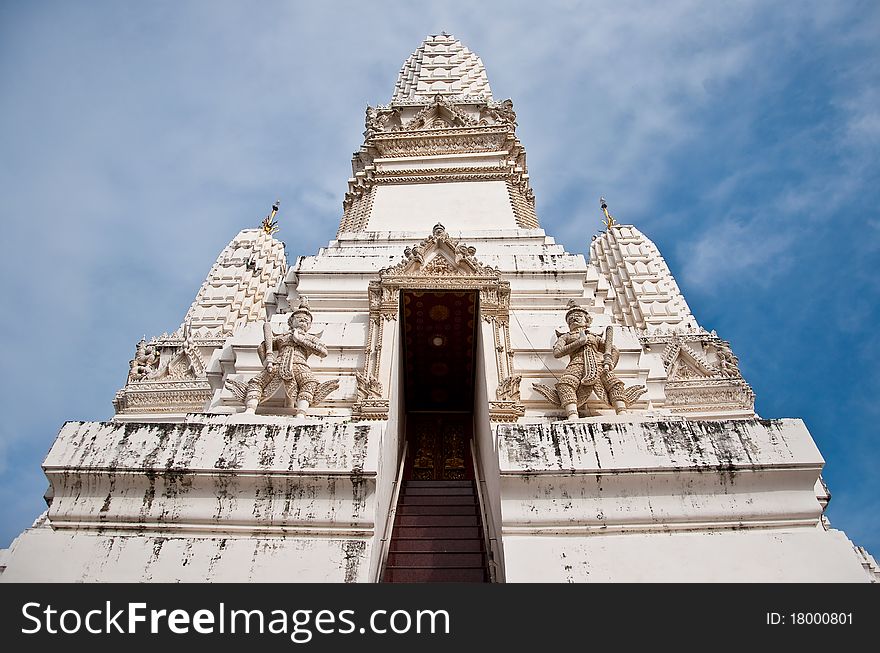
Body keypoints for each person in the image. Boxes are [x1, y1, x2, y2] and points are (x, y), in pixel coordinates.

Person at [245, 297, 328, 416]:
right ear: (291, 321)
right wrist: (267, 359)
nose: (303, 321)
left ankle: (301, 413)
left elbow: (323, 352)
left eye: (306, 321)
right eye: (299, 319)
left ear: (309, 326)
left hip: (300, 365)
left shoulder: (310, 338)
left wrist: (301, 341)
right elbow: (262, 347)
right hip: (278, 363)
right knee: (256, 382)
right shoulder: (283, 337)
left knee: (309, 383)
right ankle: (250, 410)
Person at [553, 302, 630, 419]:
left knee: (614, 383)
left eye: (578, 316)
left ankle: (621, 411)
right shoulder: (566, 336)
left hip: (598, 363)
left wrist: (610, 363)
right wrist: (578, 342)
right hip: (576, 363)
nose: (574, 318)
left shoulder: (594, 336)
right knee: (565, 384)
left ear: (586, 320)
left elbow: (613, 349)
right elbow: (557, 353)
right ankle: (572, 414)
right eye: (570, 318)